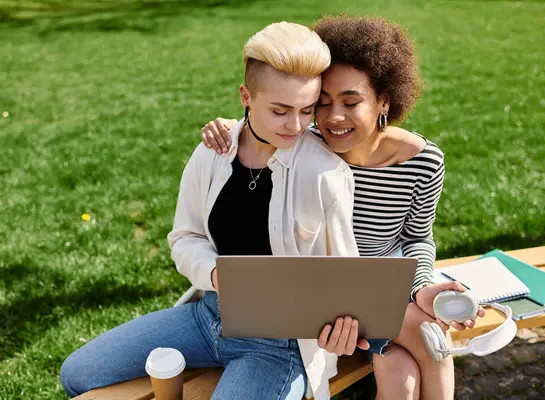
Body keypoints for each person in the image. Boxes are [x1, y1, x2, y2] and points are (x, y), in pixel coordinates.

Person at [60, 21, 363, 400]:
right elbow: (185, 238)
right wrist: (216, 273)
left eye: (306, 109)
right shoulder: (213, 152)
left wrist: (341, 323)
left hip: (277, 346)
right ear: (245, 97)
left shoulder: (324, 174)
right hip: (207, 318)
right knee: (76, 374)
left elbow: (347, 275)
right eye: (281, 110)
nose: (296, 125)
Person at [200, 15, 484, 400]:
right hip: (327, 298)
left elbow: (417, 238)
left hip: (391, 287)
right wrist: (226, 127)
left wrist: (420, 289)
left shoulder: (423, 161)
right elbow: (267, 119)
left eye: (351, 102)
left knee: (404, 375)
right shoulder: (305, 147)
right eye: (323, 103)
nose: (333, 118)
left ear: (384, 99)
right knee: (426, 338)